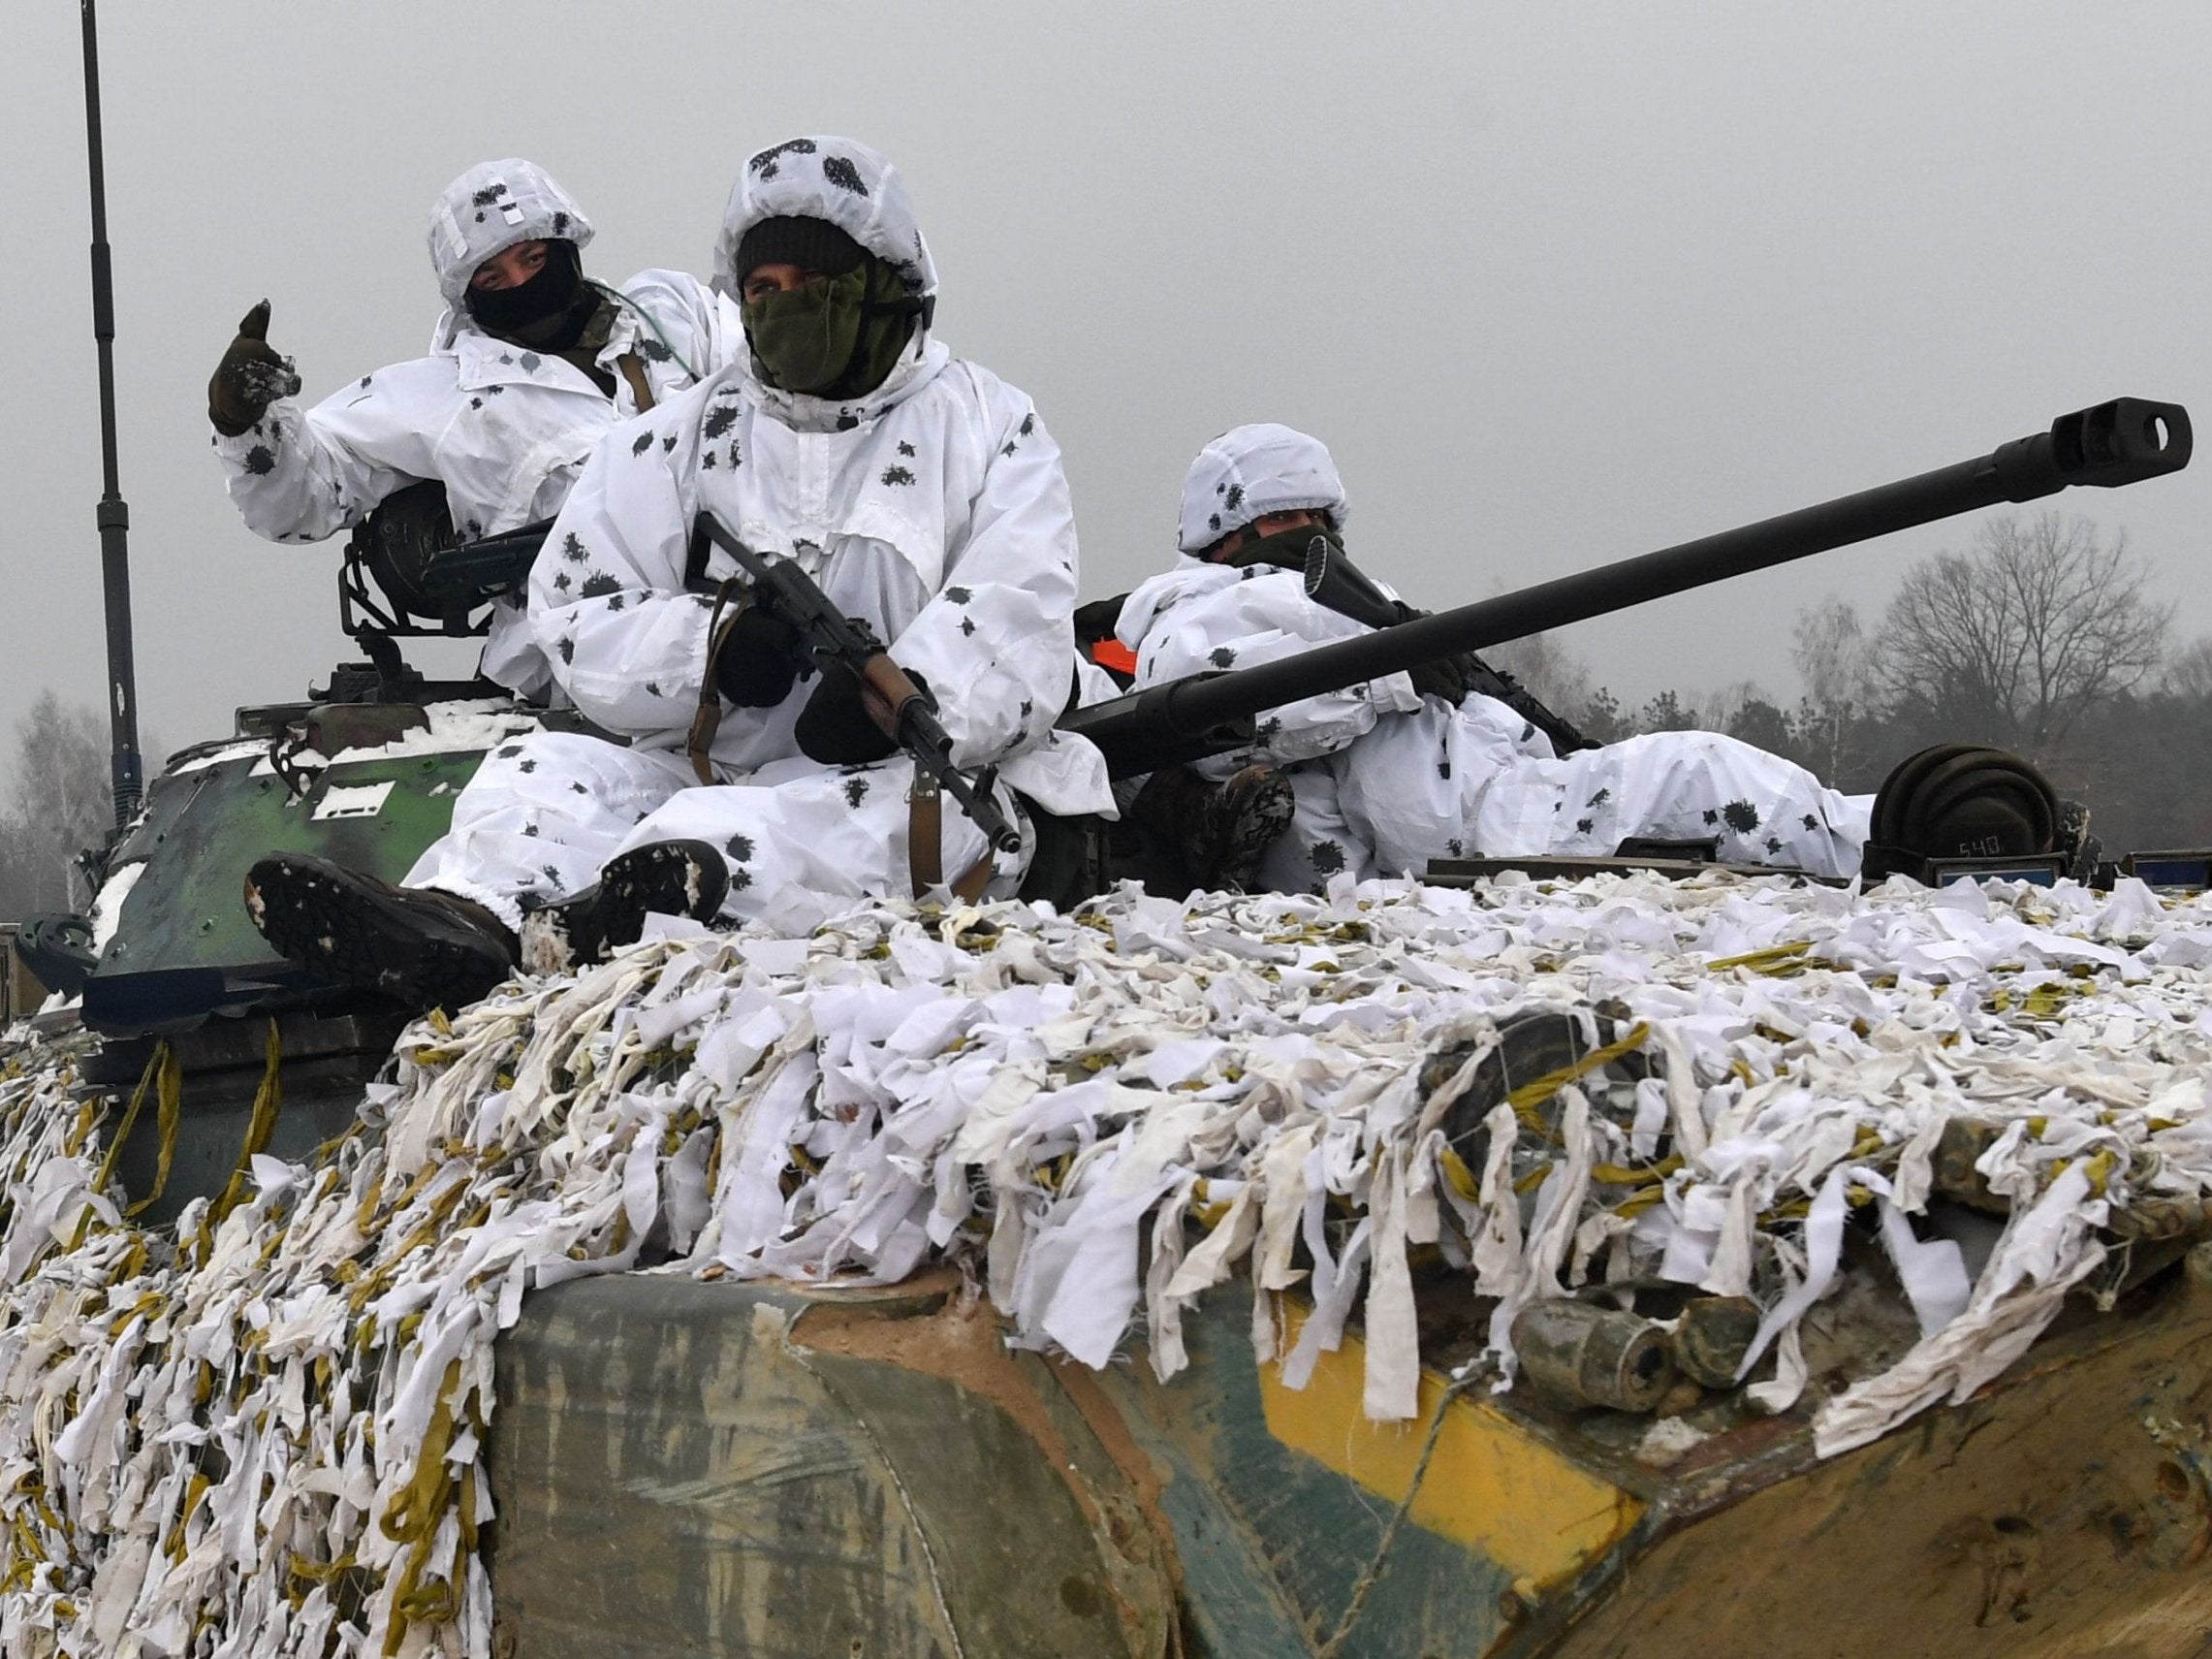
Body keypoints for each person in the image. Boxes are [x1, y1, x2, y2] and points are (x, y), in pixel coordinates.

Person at [244, 137, 1112, 1012]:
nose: (783, 311)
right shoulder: (675, 438)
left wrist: (915, 690)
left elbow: (1021, 600)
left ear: (880, 278)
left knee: (725, 836)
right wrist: (713, 645)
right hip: (712, 760)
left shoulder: (983, 422)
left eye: (809, 288)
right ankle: (467, 920)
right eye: (764, 291)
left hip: (921, 770)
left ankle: (600, 928)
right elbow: (578, 607)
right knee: (535, 779)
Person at [1116, 424, 1869, 893]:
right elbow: (1218, 721)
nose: (1310, 531)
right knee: (1701, 773)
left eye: (1320, 517)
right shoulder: (1198, 610)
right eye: (1287, 515)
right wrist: (1388, 674)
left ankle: (1897, 828)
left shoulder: (1338, 598)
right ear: (1227, 529)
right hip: (1463, 837)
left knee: (1703, 779)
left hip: (1494, 807)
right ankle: (1894, 845)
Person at [207, 157, 743, 697]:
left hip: (753, 609)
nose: (521, 284)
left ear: (565, 245)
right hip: (579, 668)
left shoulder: (670, 315)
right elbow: (309, 492)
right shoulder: (443, 396)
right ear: (468, 294)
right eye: (492, 276)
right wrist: (244, 419)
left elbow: (776, 387)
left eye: (534, 259)